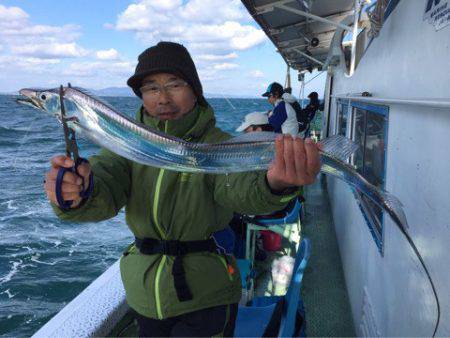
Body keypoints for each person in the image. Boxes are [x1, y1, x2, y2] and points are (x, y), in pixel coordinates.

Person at [43, 41, 321, 337]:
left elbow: (241, 190)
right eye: (151, 88)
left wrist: (274, 183)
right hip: (144, 294)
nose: (162, 99)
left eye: (174, 85)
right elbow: (106, 180)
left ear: (194, 90)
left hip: (206, 295)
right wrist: (77, 194)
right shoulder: (126, 143)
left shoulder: (216, 145)